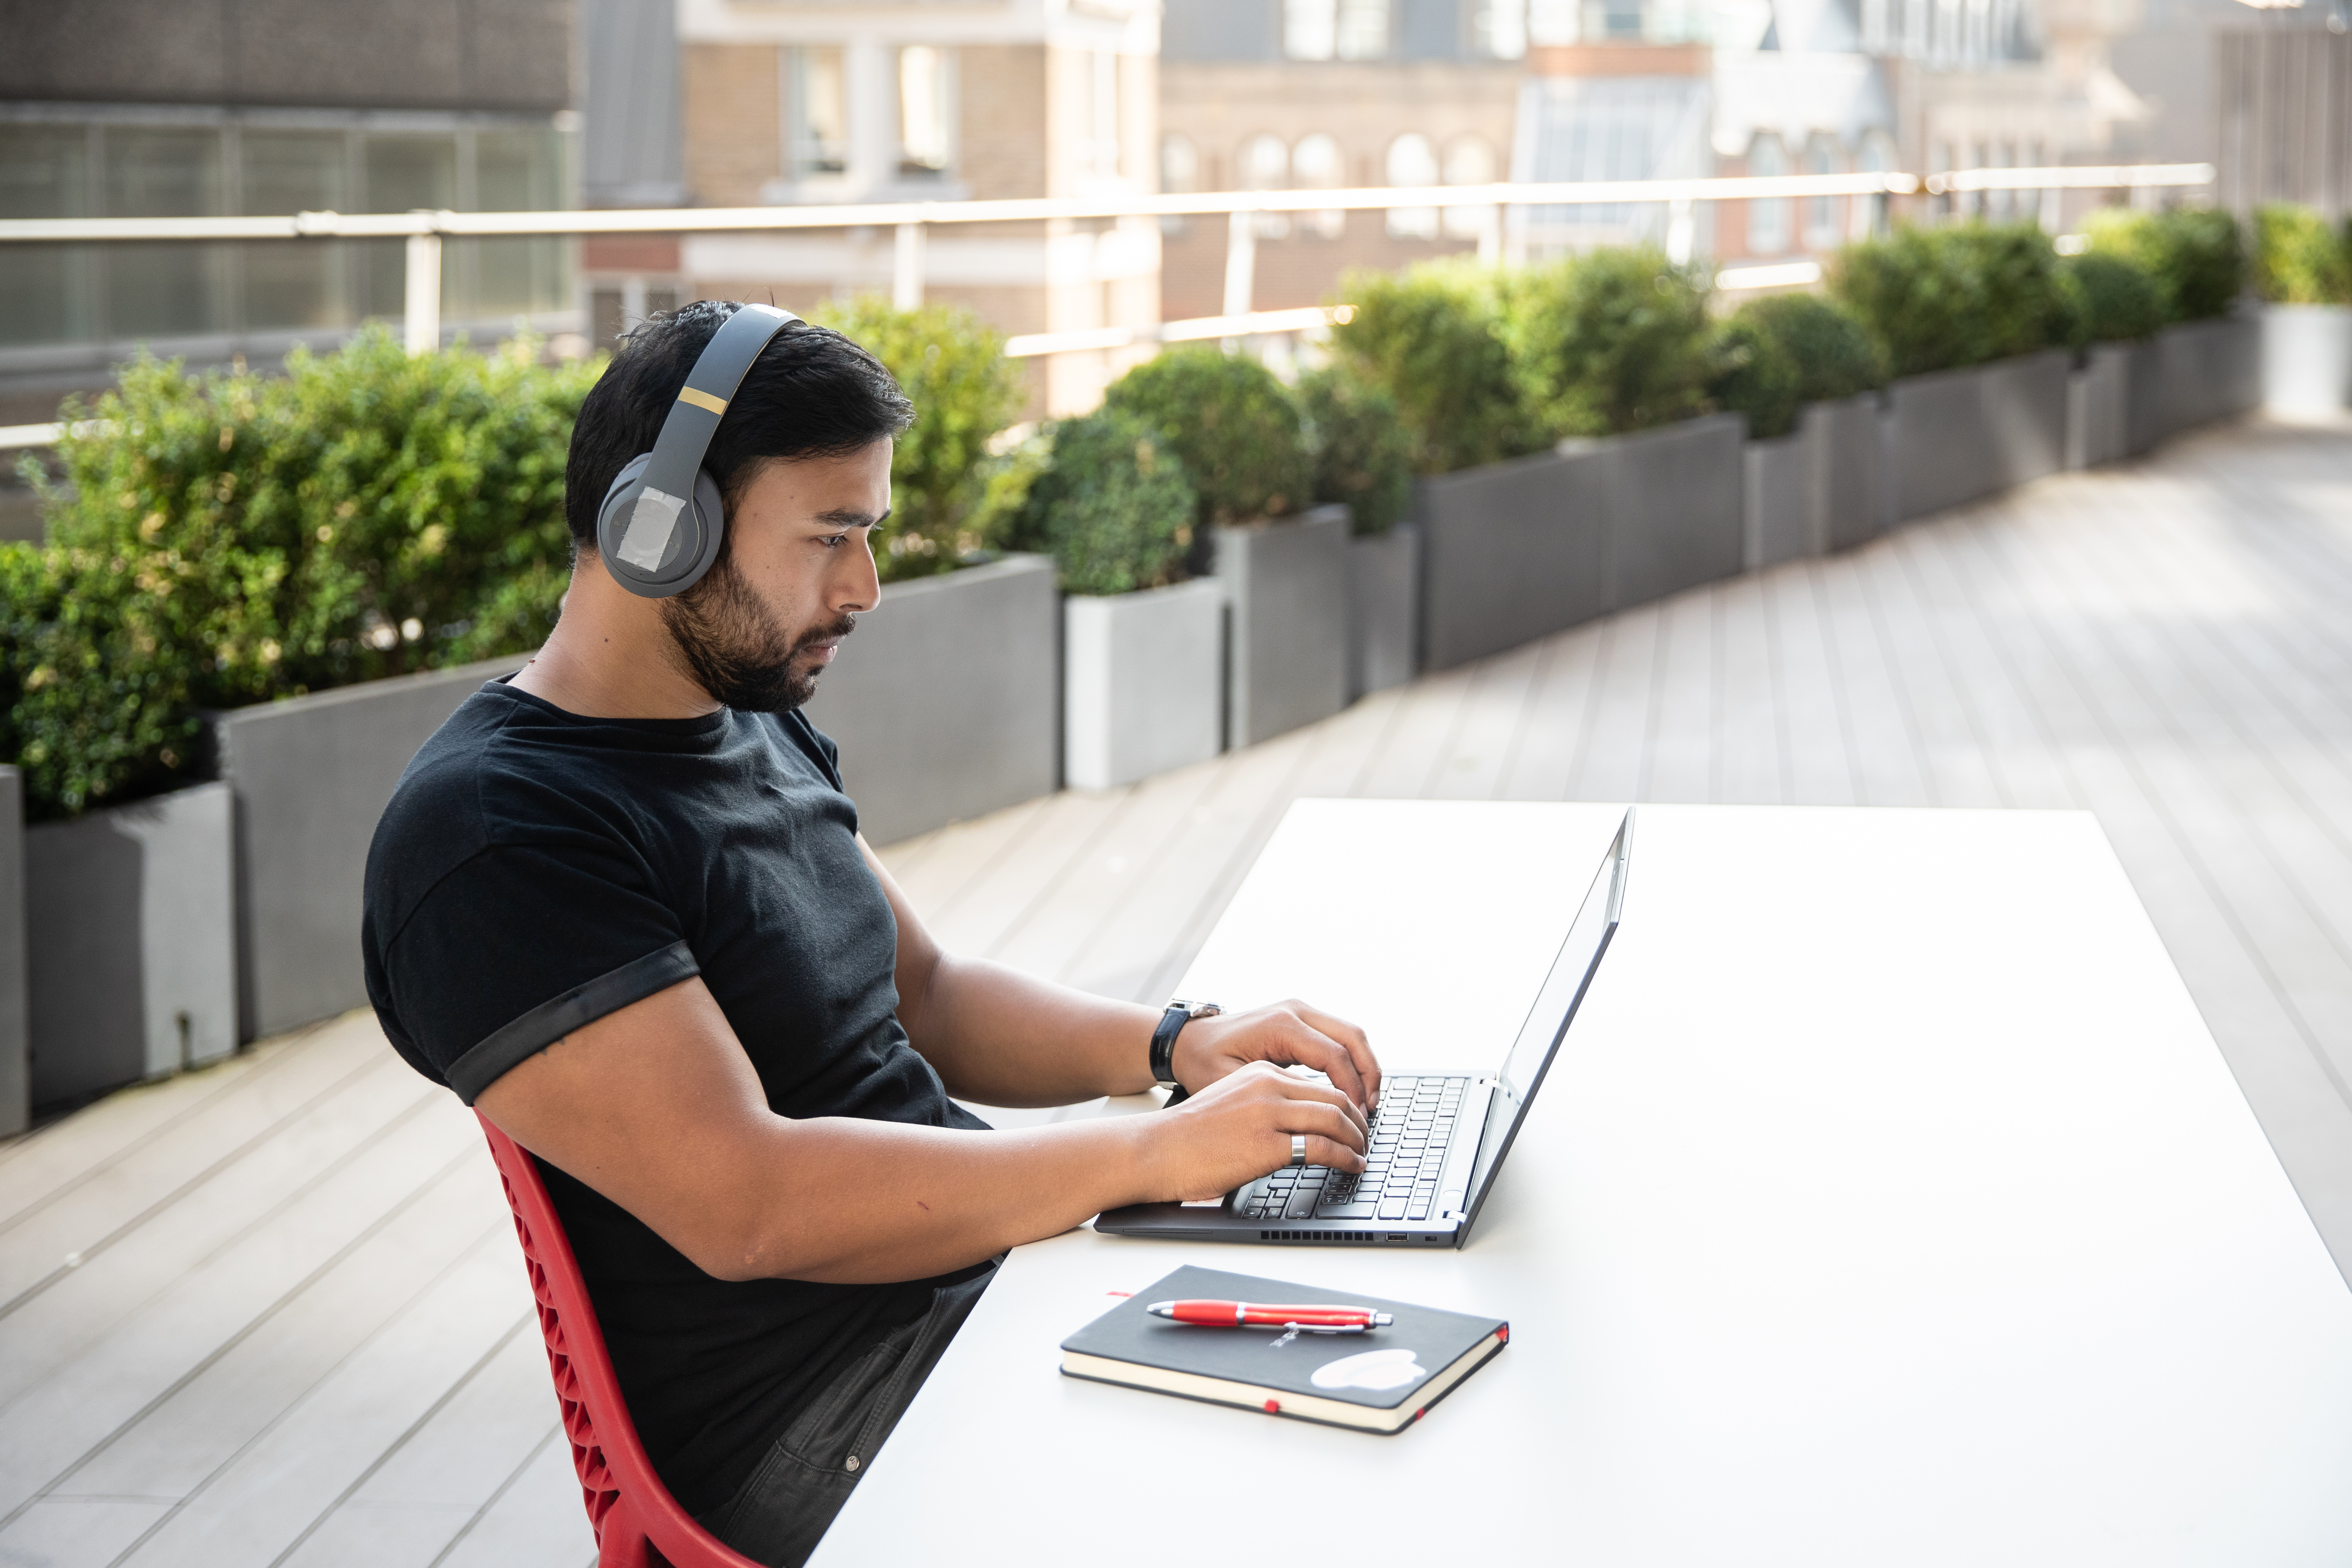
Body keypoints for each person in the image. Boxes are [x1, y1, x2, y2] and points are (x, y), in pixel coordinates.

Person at [361, 301, 1382, 1567]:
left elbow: (932, 997)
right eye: (832, 537)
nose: (865, 588)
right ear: (658, 528)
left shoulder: (741, 710)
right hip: (821, 1423)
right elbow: (750, 1204)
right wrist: (1144, 1159)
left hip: (976, 1288)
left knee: (1380, 1357)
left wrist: (1184, 1046)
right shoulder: (496, 839)